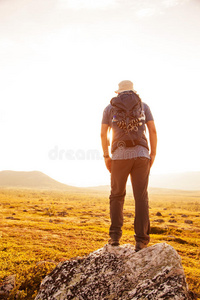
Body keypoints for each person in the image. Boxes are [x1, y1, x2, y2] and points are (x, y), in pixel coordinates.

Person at [101, 80, 157, 251]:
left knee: (117, 196)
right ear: (133, 91)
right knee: (141, 197)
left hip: (119, 156)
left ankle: (115, 237)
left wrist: (106, 156)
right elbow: (153, 131)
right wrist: (152, 153)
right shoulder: (143, 106)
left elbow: (103, 134)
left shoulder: (109, 108)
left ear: (118, 93)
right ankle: (141, 240)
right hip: (141, 155)